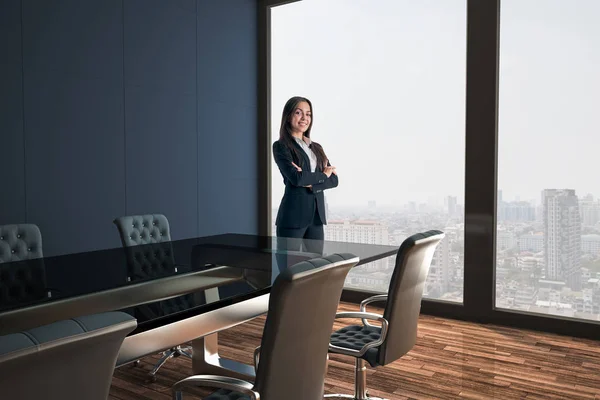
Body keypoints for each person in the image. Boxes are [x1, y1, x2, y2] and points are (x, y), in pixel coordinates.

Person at [272, 96, 338, 259]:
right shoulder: (281, 146)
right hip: (293, 217)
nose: (304, 118)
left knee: (315, 270)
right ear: (288, 116)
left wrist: (312, 183)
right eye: (299, 113)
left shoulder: (316, 148)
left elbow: (334, 180)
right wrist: (322, 175)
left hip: (316, 217)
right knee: (289, 270)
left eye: (308, 114)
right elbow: (296, 178)